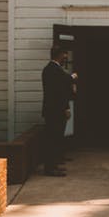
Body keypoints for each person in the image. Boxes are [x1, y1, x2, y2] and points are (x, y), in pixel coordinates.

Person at [42, 46, 76, 176]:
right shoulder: (53, 70)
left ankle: (54, 165)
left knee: (56, 138)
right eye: (65, 54)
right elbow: (58, 92)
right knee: (52, 139)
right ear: (59, 55)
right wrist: (66, 108)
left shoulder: (53, 69)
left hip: (53, 110)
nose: (66, 57)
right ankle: (50, 168)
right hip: (54, 110)